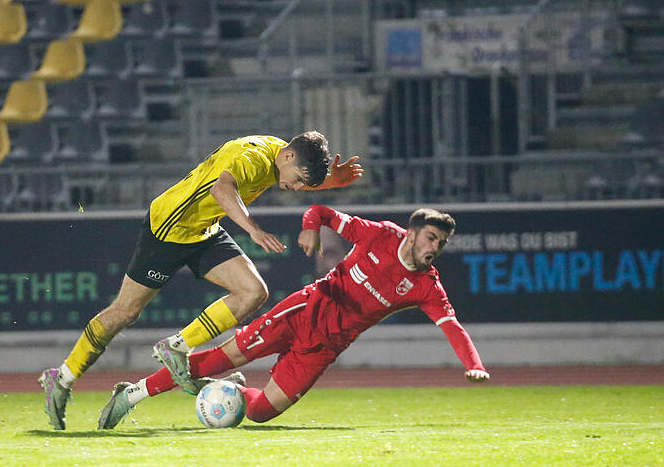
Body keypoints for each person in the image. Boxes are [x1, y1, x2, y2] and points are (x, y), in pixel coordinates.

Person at [39, 132, 363, 430]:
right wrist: (252, 230)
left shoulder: (281, 157)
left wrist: (330, 182)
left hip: (203, 230)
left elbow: (288, 176)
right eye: (299, 180)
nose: (297, 188)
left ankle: (176, 346)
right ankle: (62, 377)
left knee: (253, 292)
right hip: (170, 229)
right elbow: (221, 189)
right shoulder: (252, 158)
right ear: (289, 157)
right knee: (125, 312)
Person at [96, 204, 490, 429]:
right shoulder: (380, 235)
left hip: (325, 347)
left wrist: (473, 364)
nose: (435, 247)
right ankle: (131, 395)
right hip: (302, 312)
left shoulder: (426, 286)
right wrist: (311, 229)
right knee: (218, 358)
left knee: (260, 413)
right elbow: (319, 211)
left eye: (441, 243)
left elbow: (452, 327)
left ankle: (231, 391)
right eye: (431, 238)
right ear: (412, 234)